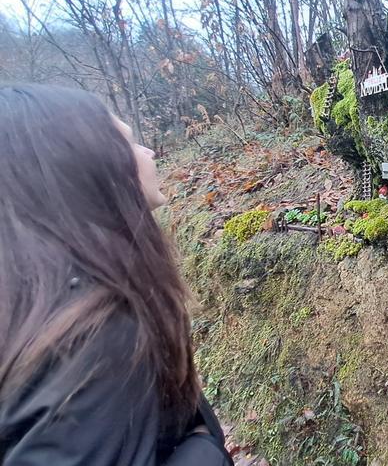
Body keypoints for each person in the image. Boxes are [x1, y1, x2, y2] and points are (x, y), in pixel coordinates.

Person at [0, 84, 233, 466]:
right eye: (127, 143)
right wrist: (203, 449)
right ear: (89, 170)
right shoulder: (93, 339)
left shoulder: (32, 308)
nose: (149, 152)